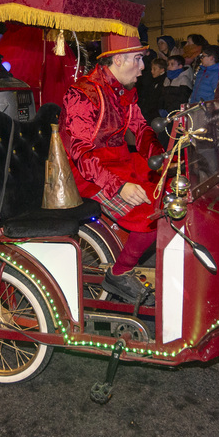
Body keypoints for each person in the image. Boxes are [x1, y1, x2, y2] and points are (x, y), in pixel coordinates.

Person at [60, 32, 163, 305]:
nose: (143, 67)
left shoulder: (122, 90)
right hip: (90, 173)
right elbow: (80, 152)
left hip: (120, 162)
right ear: (118, 59)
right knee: (152, 218)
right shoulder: (83, 93)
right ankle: (120, 272)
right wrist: (119, 186)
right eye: (138, 59)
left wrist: (163, 159)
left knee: (171, 198)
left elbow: (140, 129)